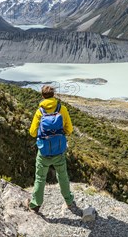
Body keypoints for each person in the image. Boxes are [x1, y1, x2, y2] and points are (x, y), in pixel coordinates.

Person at [28, 85, 75, 213]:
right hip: (59, 150)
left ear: (42, 96)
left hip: (43, 152)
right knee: (63, 175)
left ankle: (35, 204)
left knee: (40, 178)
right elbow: (69, 129)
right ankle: (69, 201)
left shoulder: (40, 112)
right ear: (53, 95)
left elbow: (32, 132)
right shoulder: (62, 109)